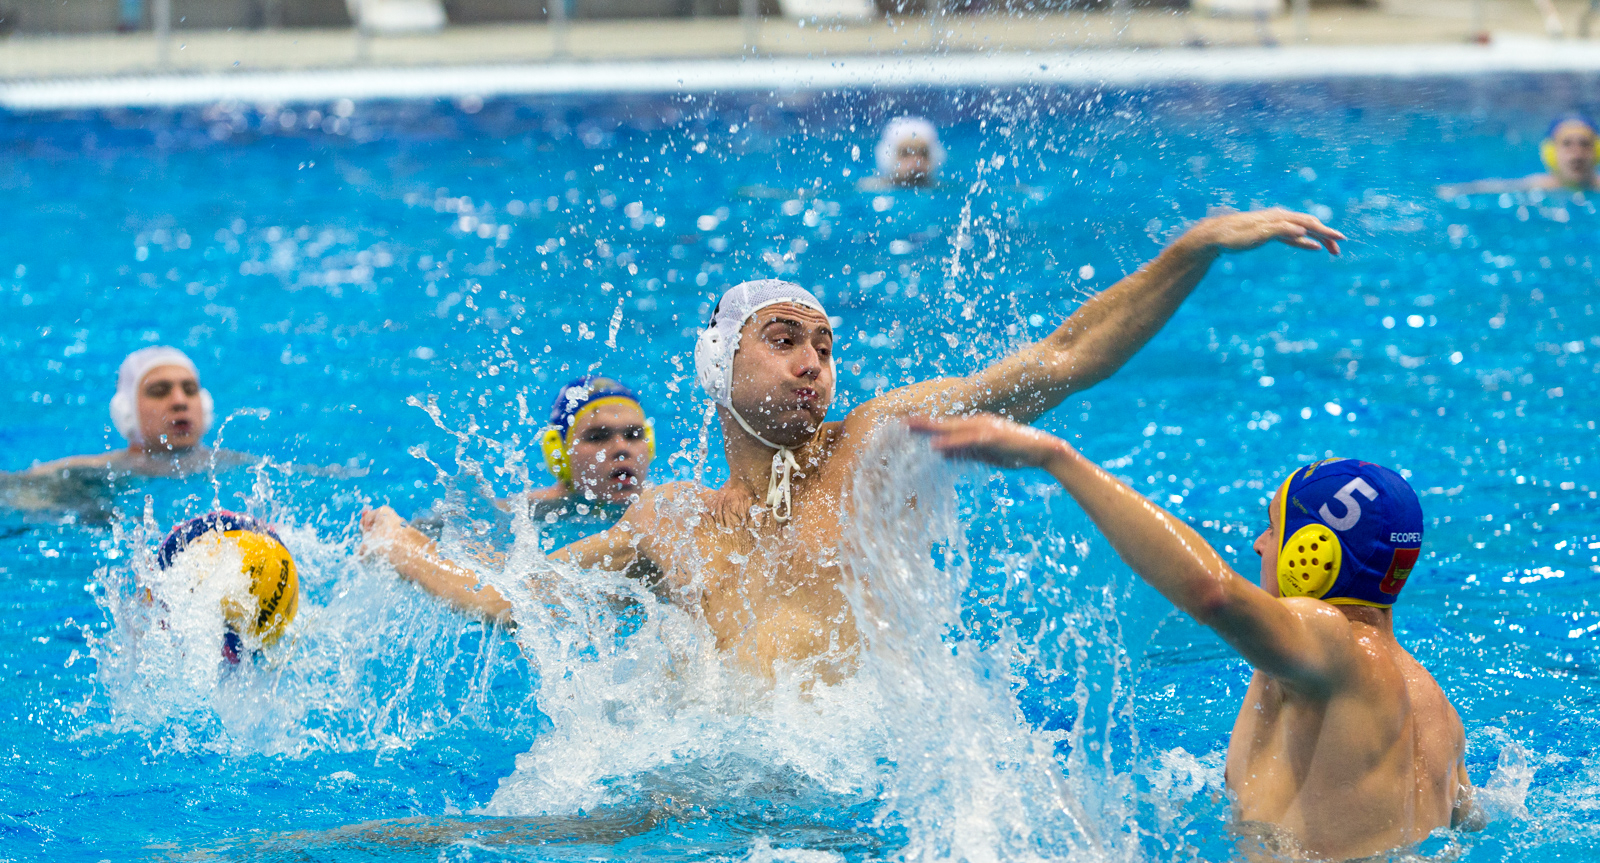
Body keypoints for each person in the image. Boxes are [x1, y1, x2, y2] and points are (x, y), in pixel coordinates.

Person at [360, 208, 1345, 683]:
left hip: (855, 801)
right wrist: (402, 550)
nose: (813, 365)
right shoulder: (668, 519)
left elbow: (1064, 357)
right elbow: (514, 598)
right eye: (783, 340)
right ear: (716, 365)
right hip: (708, 803)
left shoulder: (876, 442)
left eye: (825, 347)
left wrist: (1193, 248)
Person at [911, 413, 1475, 861]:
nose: (1258, 544)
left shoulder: (1332, 647)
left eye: (1276, 529)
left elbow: (1213, 593)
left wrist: (1055, 458)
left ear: (1315, 557)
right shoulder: (1436, 709)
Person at [21, 346, 253, 477]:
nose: (180, 402)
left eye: (190, 389)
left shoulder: (242, 468)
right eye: (160, 391)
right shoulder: (93, 473)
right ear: (127, 413)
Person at [527, 375, 654, 518]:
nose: (621, 448)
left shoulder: (668, 506)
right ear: (559, 452)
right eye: (598, 437)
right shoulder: (527, 512)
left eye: (633, 435)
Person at [1437, 113, 1600, 196]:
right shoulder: (1537, 186)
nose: (1577, 153)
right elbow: (1495, 187)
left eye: (1585, 144)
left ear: (1596, 152)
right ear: (1551, 153)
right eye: (1567, 144)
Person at [860, 117, 945, 190]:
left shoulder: (942, 189)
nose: (916, 162)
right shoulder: (871, 187)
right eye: (905, 154)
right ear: (889, 158)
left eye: (923, 154)